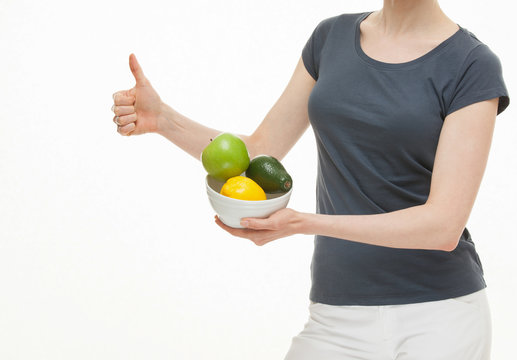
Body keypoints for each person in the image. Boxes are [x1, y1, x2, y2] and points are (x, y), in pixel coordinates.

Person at [111, 1, 509, 358]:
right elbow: (258, 152)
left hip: (440, 316)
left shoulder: (470, 64)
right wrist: (164, 120)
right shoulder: (329, 39)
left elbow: (442, 226)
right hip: (336, 314)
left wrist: (305, 223)